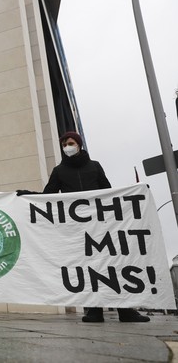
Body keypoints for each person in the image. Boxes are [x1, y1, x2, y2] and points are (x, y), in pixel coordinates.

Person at [17, 131, 150, 323]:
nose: (67, 147)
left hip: (101, 226)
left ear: (79, 144)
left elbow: (108, 193)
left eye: (70, 143)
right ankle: (94, 310)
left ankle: (126, 310)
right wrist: (28, 196)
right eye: (64, 145)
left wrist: (136, 195)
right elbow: (49, 197)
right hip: (77, 229)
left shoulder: (95, 167)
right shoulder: (59, 171)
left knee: (113, 265)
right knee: (86, 267)